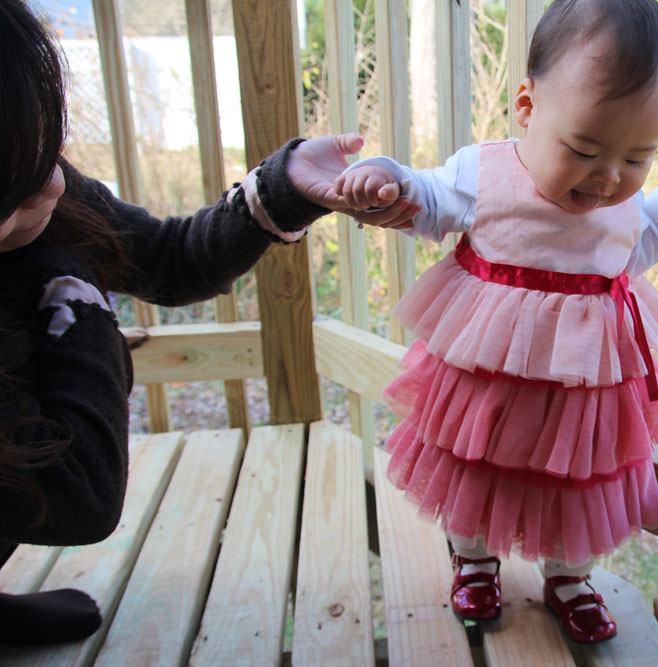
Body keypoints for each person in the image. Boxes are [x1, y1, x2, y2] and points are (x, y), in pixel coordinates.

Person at [0, 0, 414, 646]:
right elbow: (79, 488)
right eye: (20, 180)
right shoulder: (43, 235)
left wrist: (281, 189)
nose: (53, 184)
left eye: (47, 147)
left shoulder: (38, 194)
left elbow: (168, 260)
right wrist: (71, 284)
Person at [334, 0, 658, 645]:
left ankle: (570, 576)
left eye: (637, 157)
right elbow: (430, 197)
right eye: (584, 149)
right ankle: (474, 558)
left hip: (582, 395)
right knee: (475, 469)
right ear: (529, 107)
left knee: (579, 484)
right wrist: (391, 183)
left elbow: (636, 236)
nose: (608, 177)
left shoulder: (619, 195)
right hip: (491, 381)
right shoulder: (486, 172)